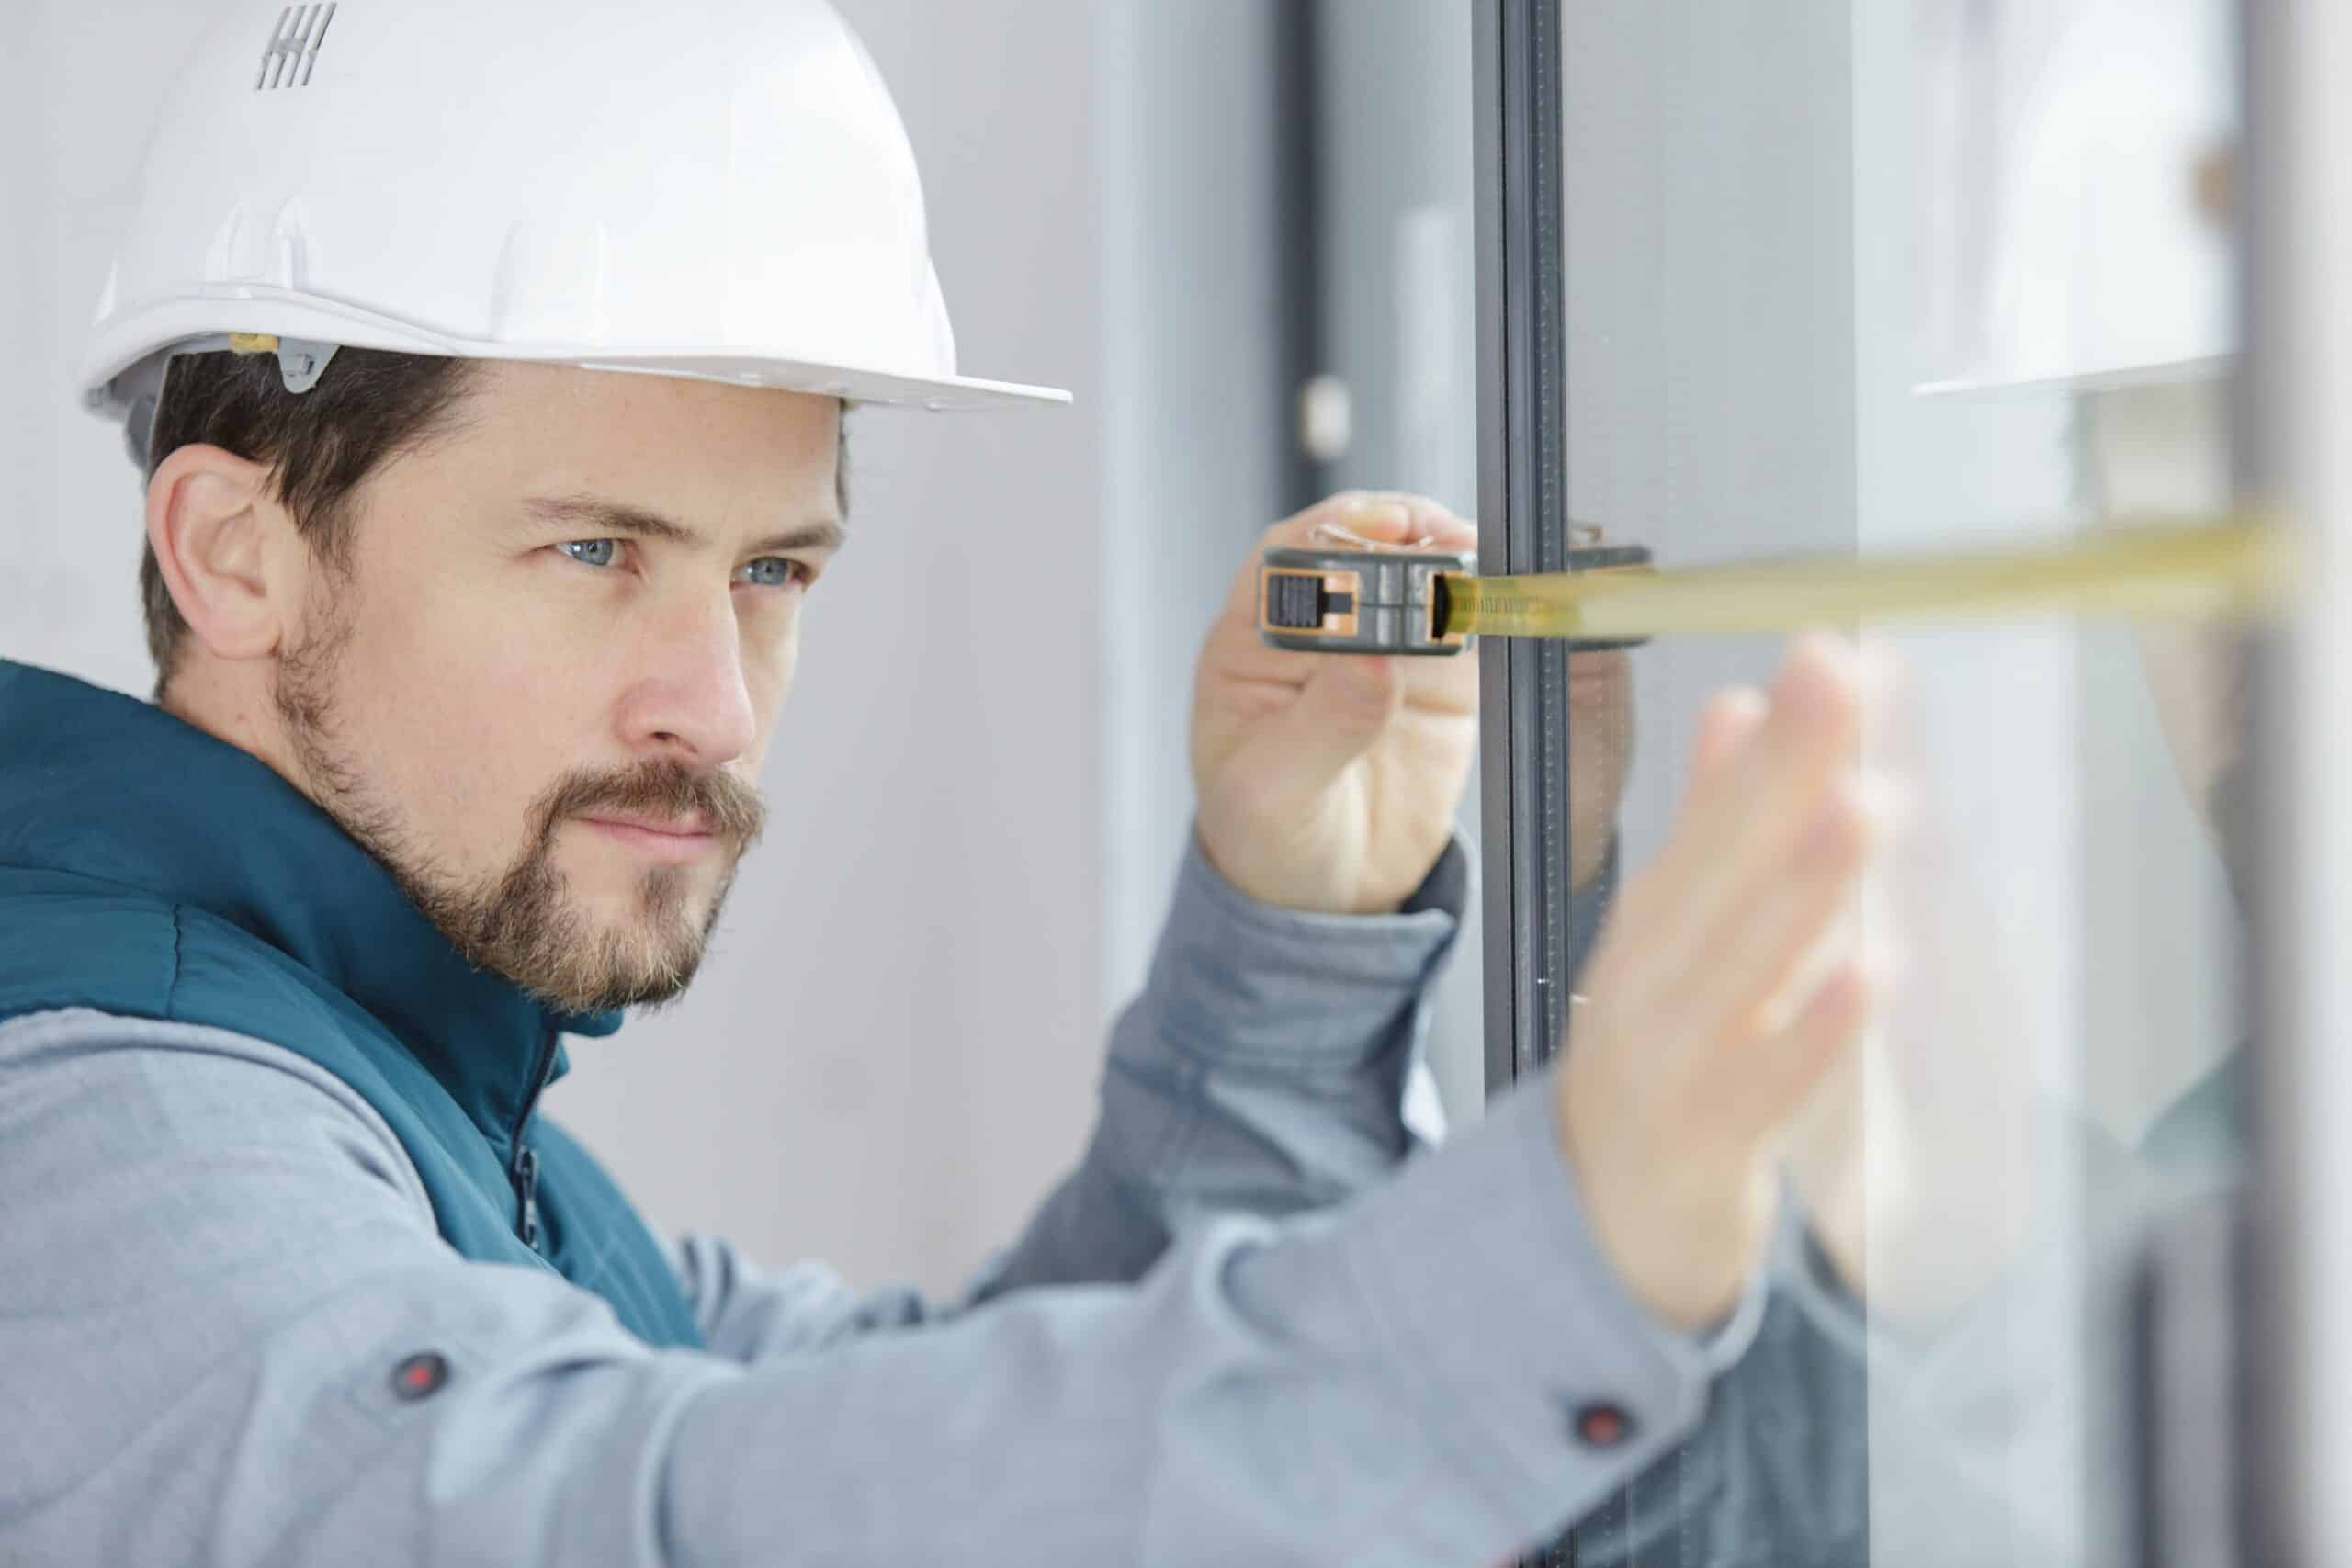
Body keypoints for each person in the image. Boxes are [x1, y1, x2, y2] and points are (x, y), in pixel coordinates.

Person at [0, 3, 1882, 1562]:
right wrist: (1557, 1265)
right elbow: (636, 1523)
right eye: (591, 553)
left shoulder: (418, 1108)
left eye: (770, 571)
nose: (714, 707)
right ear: (233, 551)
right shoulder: (98, 1131)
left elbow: (950, 1426)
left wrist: (1289, 938)